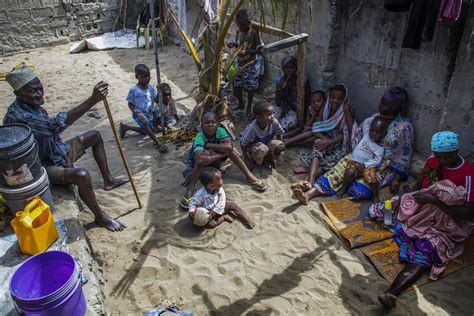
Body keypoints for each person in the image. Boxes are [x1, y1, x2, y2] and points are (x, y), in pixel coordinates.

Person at [3, 63, 128, 232]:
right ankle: (100, 217)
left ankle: (109, 180)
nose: (39, 93)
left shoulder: (33, 106)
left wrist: (65, 155)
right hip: (42, 166)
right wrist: (92, 100)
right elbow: (54, 126)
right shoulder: (18, 116)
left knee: (95, 136)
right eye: (32, 91)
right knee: (82, 175)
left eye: (39, 88)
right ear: (18, 94)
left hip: (56, 151)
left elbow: (52, 136)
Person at [374, 131, 474, 308]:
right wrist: (410, 191)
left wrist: (434, 200)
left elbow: (468, 212)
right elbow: (421, 183)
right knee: (384, 210)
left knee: (426, 252)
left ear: (457, 150)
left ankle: (391, 293)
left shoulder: (467, 174)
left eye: (448, 157)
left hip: (447, 222)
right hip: (424, 210)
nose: (442, 161)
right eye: (439, 156)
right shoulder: (433, 160)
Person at [292, 87, 413, 204]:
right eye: (381, 102)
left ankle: (347, 185)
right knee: (335, 174)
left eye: (385, 104)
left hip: (378, 165)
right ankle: (309, 195)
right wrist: (347, 113)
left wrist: (396, 179)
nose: (380, 106)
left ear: (394, 108)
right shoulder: (373, 119)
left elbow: (403, 155)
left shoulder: (403, 128)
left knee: (359, 190)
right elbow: (356, 133)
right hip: (358, 157)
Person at [181, 112, 267, 209]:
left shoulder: (220, 131)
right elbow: (200, 158)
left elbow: (229, 147)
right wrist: (221, 154)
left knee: (228, 150)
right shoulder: (200, 136)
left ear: (217, 124)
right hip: (198, 163)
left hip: (214, 159)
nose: (210, 125)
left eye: (213, 122)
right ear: (202, 125)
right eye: (206, 122)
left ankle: (249, 176)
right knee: (207, 155)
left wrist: (209, 145)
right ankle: (191, 187)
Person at [336, 116, 389, 202]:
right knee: (349, 172)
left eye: (377, 132)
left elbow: (377, 161)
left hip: (366, 166)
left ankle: (375, 195)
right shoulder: (367, 134)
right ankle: (344, 187)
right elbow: (366, 121)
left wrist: (365, 165)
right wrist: (376, 116)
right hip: (354, 162)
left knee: (372, 178)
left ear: (384, 134)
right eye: (372, 130)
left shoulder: (380, 148)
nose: (374, 133)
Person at [119, 64, 168, 153]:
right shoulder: (134, 90)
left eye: (148, 76)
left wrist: (160, 91)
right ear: (137, 77)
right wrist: (138, 113)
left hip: (150, 113)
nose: (147, 78)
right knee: (145, 123)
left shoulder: (151, 88)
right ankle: (158, 143)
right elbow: (130, 104)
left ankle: (126, 127)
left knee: (147, 130)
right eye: (144, 77)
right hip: (140, 114)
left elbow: (156, 100)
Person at [188, 167, 255, 229]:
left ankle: (247, 220)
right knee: (210, 225)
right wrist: (192, 211)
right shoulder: (200, 194)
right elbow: (192, 203)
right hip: (208, 214)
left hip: (219, 208)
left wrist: (214, 212)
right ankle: (224, 218)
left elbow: (221, 202)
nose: (221, 181)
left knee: (233, 206)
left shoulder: (220, 189)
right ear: (211, 185)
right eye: (219, 179)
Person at [227, 9, 263, 115]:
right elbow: (239, 44)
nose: (239, 27)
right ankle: (241, 103)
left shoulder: (254, 33)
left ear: (248, 23)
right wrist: (234, 44)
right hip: (239, 63)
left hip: (250, 65)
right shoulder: (239, 32)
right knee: (237, 84)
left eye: (241, 25)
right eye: (237, 24)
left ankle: (248, 106)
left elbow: (260, 49)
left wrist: (247, 52)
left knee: (250, 88)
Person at [240, 101, 285, 169]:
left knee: (280, 145)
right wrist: (247, 159)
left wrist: (278, 150)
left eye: (273, 113)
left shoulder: (274, 122)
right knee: (262, 149)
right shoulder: (253, 128)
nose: (272, 116)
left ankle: (269, 155)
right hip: (255, 147)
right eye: (269, 114)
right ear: (259, 118)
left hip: (266, 143)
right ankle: (254, 158)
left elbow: (279, 134)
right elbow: (242, 144)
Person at [274, 56, 311, 131]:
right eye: (286, 68)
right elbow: (277, 103)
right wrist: (279, 89)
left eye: (292, 67)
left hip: (295, 110)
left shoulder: (303, 81)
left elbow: (308, 100)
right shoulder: (279, 81)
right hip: (282, 107)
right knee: (268, 118)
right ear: (282, 69)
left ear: (296, 68)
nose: (289, 70)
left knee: (287, 125)